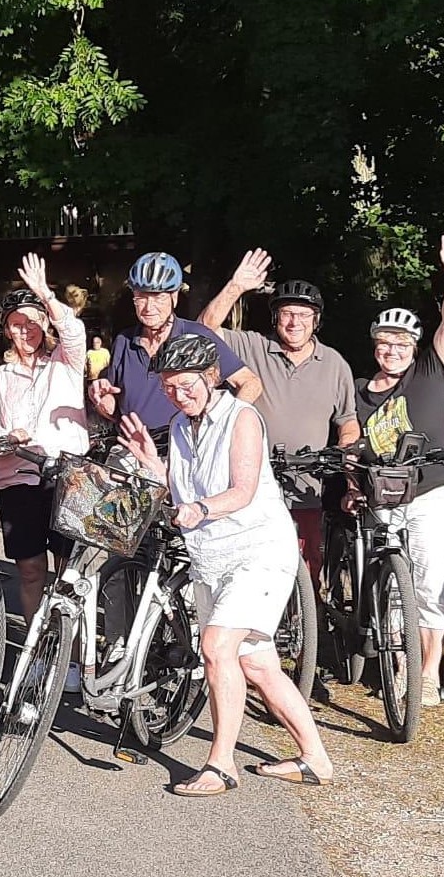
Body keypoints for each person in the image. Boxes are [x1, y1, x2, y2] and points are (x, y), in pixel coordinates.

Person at [117, 334, 333, 796]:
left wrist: (201, 509)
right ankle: (315, 758)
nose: (178, 394)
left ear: (212, 377)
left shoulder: (242, 417)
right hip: (210, 557)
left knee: (216, 648)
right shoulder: (180, 426)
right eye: (169, 386)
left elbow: (242, 490)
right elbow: (182, 488)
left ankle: (220, 765)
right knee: (257, 665)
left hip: (257, 552)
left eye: (187, 385)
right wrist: (152, 462)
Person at [198, 250, 360, 584]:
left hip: (307, 485)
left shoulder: (334, 364)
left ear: (316, 320)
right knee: (255, 567)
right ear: (275, 318)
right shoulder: (254, 346)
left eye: (303, 315)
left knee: (307, 569)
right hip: (254, 481)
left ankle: (311, 617)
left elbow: (347, 421)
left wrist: (346, 457)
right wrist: (236, 286)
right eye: (287, 313)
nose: (294, 322)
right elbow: (205, 330)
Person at [353, 234, 444, 708]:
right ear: (374, 347)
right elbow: (351, 443)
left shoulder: (430, 370)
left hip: (434, 489)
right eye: (384, 343)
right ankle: (397, 662)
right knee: (394, 583)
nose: (392, 350)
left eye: (401, 343)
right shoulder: (360, 391)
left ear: (414, 347)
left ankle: (427, 671)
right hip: (385, 493)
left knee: (429, 579)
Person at [0, 254, 89, 623]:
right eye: (16, 324)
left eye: (32, 322)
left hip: (66, 475)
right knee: (29, 570)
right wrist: (4, 437)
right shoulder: (0, 377)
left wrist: (45, 294)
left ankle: (70, 648)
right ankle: (34, 645)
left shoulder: (65, 362)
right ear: (6, 330)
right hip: (17, 479)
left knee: (68, 570)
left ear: (44, 323)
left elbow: (73, 331)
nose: (25, 330)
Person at [89, 252, 262, 441]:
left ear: (175, 297)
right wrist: (100, 398)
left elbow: (250, 383)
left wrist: (224, 425)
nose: (148, 307)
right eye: (141, 298)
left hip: (186, 448)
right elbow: (117, 408)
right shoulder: (124, 341)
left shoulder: (195, 335)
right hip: (134, 449)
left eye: (158, 298)